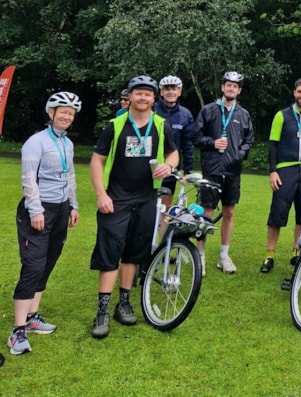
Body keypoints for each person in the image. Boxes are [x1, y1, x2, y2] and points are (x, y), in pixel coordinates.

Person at [89, 75, 179, 339]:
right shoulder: (114, 126)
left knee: (133, 252)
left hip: (147, 198)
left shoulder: (162, 125)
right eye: (138, 93)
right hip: (116, 198)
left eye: (148, 94)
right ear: (129, 97)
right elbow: (97, 161)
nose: (143, 98)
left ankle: (124, 303)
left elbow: (174, 153)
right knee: (110, 251)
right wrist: (100, 194)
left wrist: (170, 165)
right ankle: (102, 310)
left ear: (155, 98)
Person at [8, 92, 81, 355]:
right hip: (38, 211)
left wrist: (73, 205)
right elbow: (28, 178)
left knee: (48, 262)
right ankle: (17, 331)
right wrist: (35, 209)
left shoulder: (68, 144)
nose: (66, 116)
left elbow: (69, 175)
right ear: (51, 113)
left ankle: (32, 317)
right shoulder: (35, 142)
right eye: (62, 111)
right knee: (33, 265)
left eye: (71, 114)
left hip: (61, 210)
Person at [261, 78, 301, 273]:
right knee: (277, 213)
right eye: (300, 92)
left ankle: (296, 251)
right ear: (294, 93)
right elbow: (273, 144)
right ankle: (270, 254)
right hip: (285, 169)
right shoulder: (282, 115)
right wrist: (273, 171)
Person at [193, 71, 254, 275]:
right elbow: (196, 136)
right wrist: (212, 143)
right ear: (222, 88)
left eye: (235, 86)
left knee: (228, 212)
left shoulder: (243, 114)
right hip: (211, 169)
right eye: (228, 85)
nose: (231, 88)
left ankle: (223, 256)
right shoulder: (208, 110)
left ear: (239, 90)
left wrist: (240, 154)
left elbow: (248, 140)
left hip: (233, 171)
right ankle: (199, 255)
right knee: (207, 213)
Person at [154, 75, 195, 239]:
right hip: (149, 168)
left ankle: (161, 248)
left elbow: (188, 144)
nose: (171, 92)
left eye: (174, 89)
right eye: (167, 89)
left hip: (171, 170)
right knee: (147, 208)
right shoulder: (151, 110)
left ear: (179, 92)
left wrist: (188, 170)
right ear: (161, 92)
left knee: (165, 207)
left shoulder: (185, 115)